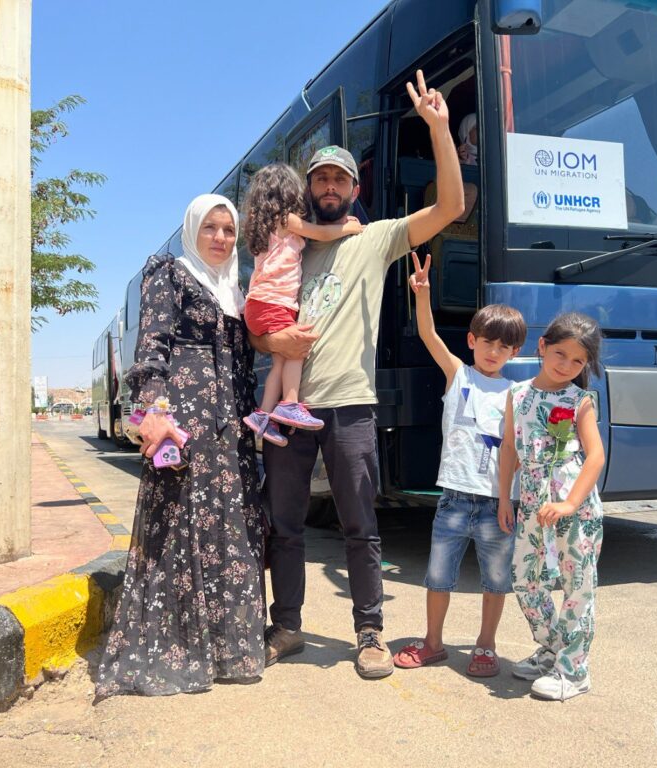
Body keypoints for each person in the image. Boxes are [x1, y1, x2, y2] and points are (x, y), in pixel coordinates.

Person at [254, 70, 466, 679]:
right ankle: (286, 626)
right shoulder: (286, 245)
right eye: (319, 176)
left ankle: (369, 633)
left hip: (349, 405)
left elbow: (451, 206)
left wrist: (441, 129)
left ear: (353, 186)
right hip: (288, 412)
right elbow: (256, 326)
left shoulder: (374, 239)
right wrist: (275, 338)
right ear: (308, 188)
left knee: (360, 525)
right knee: (284, 524)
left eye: (338, 177)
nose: (328, 186)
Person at [95, 194, 266, 699]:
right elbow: (151, 347)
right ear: (192, 230)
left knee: (229, 530)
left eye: (228, 230)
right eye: (210, 228)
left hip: (230, 425)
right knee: (179, 526)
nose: (219, 237)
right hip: (183, 420)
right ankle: (176, 648)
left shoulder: (237, 288)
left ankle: (225, 650)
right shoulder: (170, 274)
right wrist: (154, 411)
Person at [392, 253, 525, 677]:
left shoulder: (517, 392)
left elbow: (517, 451)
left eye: (504, 346)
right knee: (437, 576)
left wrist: (509, 499)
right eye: (488, 342)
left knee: (497, 580)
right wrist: (423, 293)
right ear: (471, 341)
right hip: (453, 498)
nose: (494, 351)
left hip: (498, 503)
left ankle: (485, 645)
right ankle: (434, 643)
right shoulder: (459, 375)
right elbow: (429, 334)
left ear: (515, 351)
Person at [497, 312, 605, 701]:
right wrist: (504, 499)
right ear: (542, 347)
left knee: (578, 586)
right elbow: (509, 447)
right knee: (526, 581)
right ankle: (553, 649)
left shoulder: (580, 400)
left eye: (577, 361)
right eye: (560, 354)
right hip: (530, 504)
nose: (567, 366)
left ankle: (574, 670)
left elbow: (595, 457)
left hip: (575, 506)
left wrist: (570, 502)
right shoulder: (518, 394)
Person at [240, 163, 364, 446]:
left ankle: (263, 416)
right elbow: (318, 233)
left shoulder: (264, 225)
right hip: (274, 302)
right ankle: (290, 403)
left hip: (259, 305)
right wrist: (346, 227)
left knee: (280, 362)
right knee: (296, 350)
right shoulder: (285, 220)